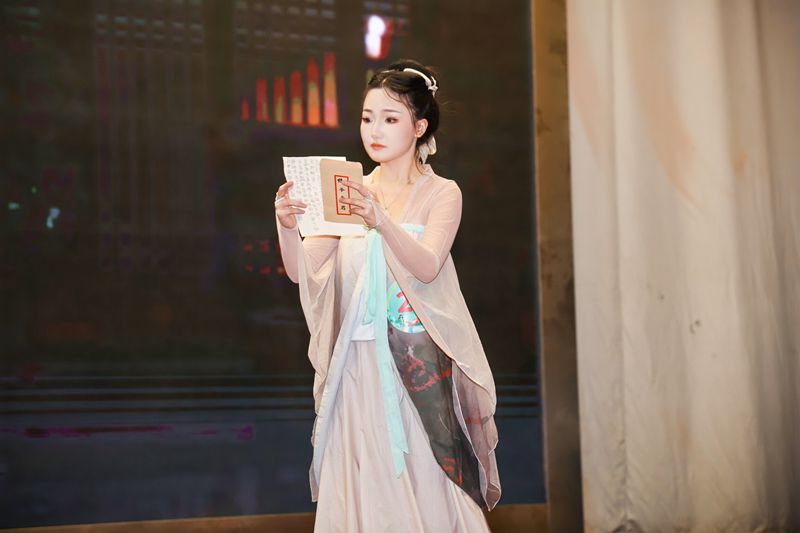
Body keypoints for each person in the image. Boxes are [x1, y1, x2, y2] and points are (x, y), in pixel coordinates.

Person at [274, 59, 500, 532]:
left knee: (426, 480)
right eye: (367, 118)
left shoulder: (442, 193)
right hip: (356, 364)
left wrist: (381, 221)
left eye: (390, 118)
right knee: (363, 482)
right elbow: (301, 271)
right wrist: (287, 225)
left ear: (419, 127)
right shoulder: (349, 188)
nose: (374, 130)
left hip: (415, 365)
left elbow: (427, 265)